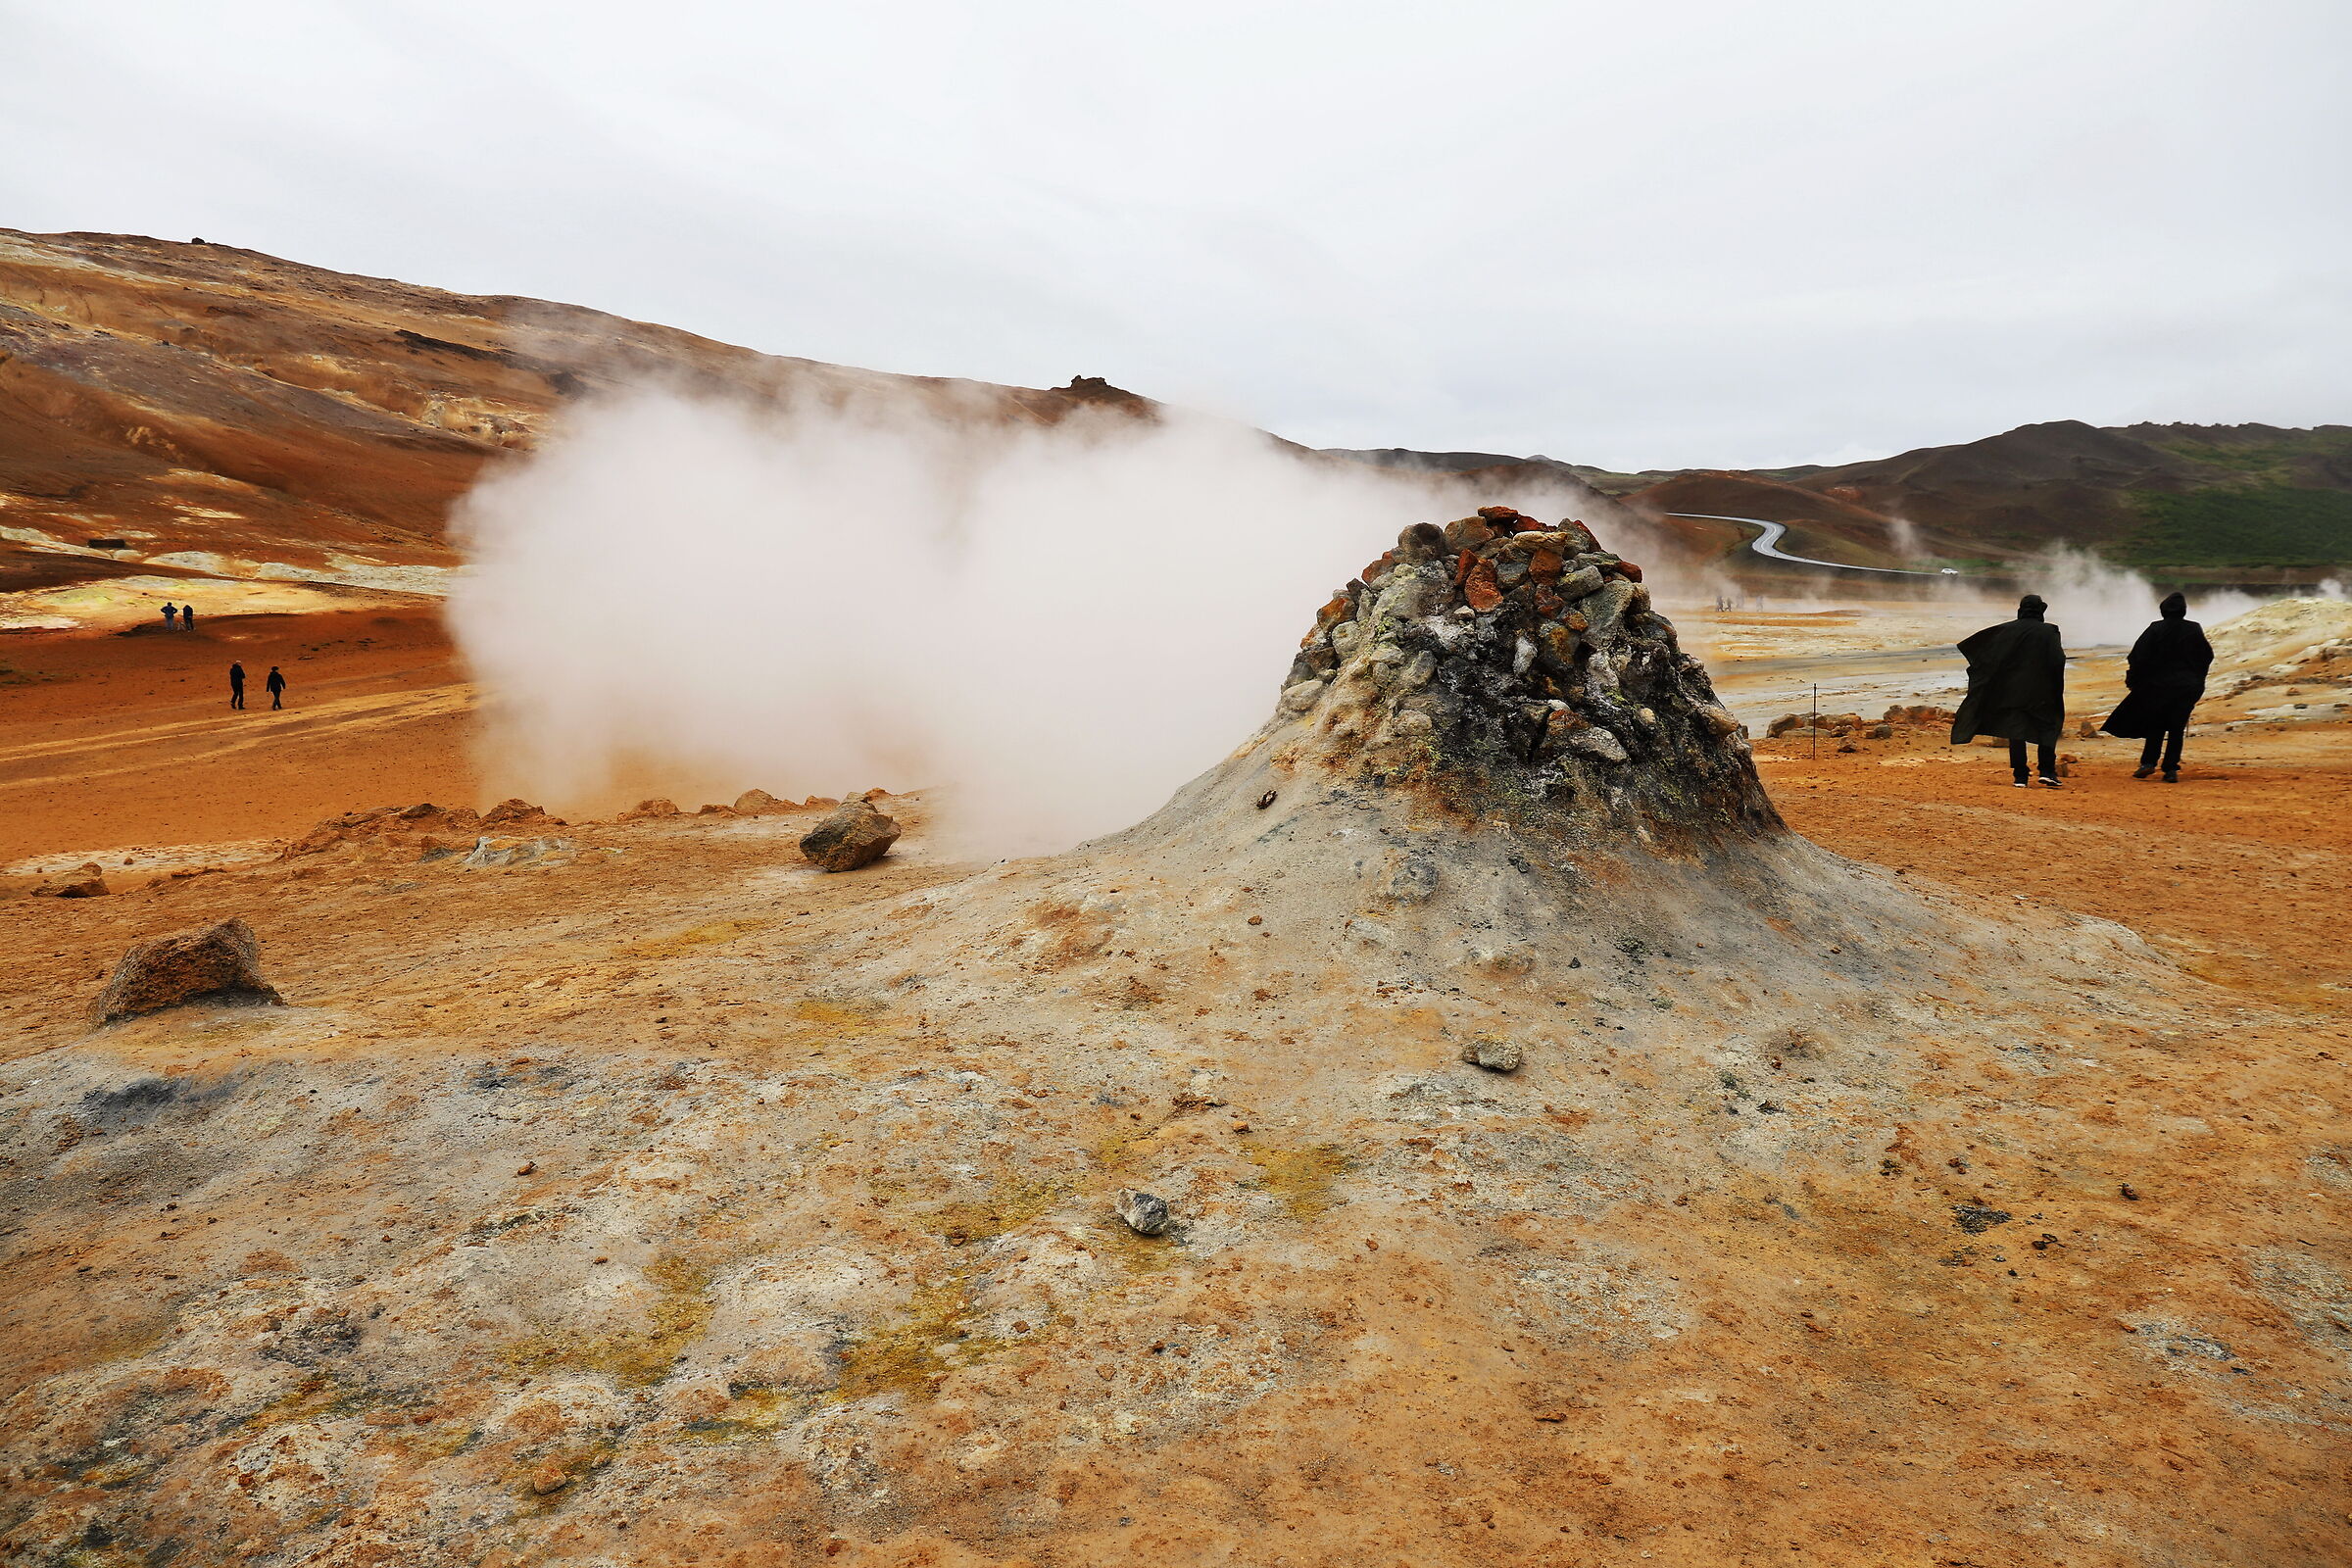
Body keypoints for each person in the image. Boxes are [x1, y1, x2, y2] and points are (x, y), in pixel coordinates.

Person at [1952, 593, 2066, 788]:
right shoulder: (2049, 632)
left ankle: (2020, 776)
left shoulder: (2006, 631)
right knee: (2048, 727)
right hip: (2042, 691)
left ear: (2021, 610)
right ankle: (2047, 771)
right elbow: (2057, 661)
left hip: (2012, 690)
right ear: (2040, 610)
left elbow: (1984, 654)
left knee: (2017, 731)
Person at [2101, 591, 2213, 782]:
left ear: (2163, 610)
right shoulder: (2194, 629)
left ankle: (2148, 763)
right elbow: (2206, 656)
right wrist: (2196, 679)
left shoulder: (2155, 629)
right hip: (2186, 687)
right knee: (2177, 728)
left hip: (2157, 687)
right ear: (2184, 611)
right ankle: (2170, 769)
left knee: (2156, 725)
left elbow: (2137, 656)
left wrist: (2135, 680)